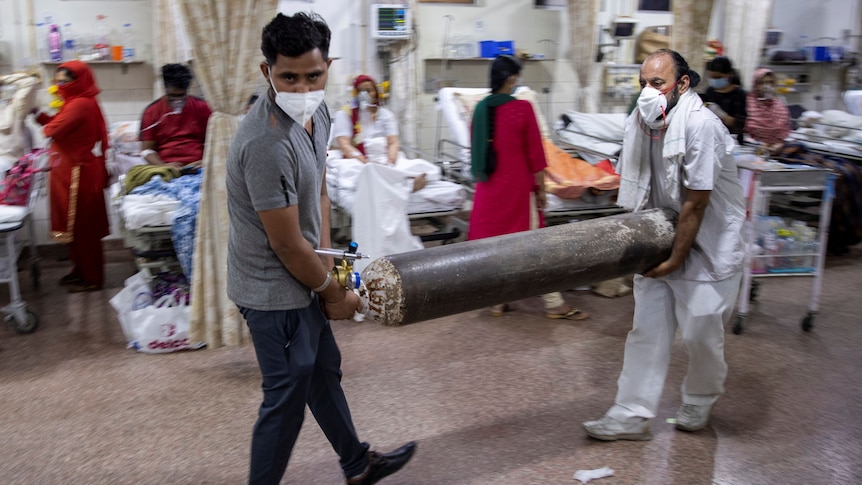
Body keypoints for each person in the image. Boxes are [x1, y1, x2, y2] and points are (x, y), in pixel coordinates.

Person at [225, 12, 416, 485]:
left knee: (322, 371)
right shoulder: (266, 142)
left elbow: (321, 194)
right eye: (288, 77)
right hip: (272, 289)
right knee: (287, 394)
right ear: (266, 71)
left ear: (328, 65)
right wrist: (333, 295)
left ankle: (357, 464)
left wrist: (335, 272)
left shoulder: (320, 112)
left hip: (306, 272)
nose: (302, 88)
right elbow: (287, 244)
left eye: (314, 75)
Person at [583, 49, 745, 440]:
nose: (647, 92)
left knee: (701, 333)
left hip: (708, 244)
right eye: (643, 84)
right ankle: (630, 414)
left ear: (683, 84)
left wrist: (676, 259)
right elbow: (637, 184)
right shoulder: (642, 123)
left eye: (657, 83)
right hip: (660, 239)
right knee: (646, 331)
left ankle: (700, 398)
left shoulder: (701, 126)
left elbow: (697, 201)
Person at [468, 54, 588, 321]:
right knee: (537, 249)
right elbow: (536, 156)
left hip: (488, 193)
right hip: (518, 192)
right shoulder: (522, 109)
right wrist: (542, 190)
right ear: (511, 78)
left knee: (496, 248)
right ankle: (554, 303)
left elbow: (478, 153)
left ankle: (499, 301)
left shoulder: (479, 111)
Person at [32, 61, 110, 293]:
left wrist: (45, 121)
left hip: (79, 175)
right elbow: (58, 125)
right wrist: (38, 114)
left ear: (79, 81)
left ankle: (93, 278)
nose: (60, 86)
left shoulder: (80, 104)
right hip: (70, 172)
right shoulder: (75, 103)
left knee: (84, 230)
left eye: (65, 81)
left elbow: (52, 130)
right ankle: (79, 271)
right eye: (58, 82)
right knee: (74, 230)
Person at [331, 74, 426, 191]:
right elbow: (345, 145)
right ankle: (403, 185)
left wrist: (390, 163)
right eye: (360, 91)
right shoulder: (344, 114)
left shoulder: (386, 115)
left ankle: (397, 180)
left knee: (424, 168)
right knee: (356, 175)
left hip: (386, 158)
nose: (364, 94)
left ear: (375, 92)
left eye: (368, 90)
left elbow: (393, 142)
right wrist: (367, 163)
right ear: (355, 93)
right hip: (357, 160)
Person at [139, 63, 212, 168]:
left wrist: (205, 161)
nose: (177, 101)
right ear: (165, 89)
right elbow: (146, 150)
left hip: (199, 166)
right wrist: (164, 166)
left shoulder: (202, 108)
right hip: (166, 168)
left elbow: (214, 141)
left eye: (181, 96)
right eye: (172, 96)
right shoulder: (151, 112)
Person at [700, 56, 747, 144]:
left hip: (731, 140)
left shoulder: (739, 94)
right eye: (712, 77)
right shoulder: (710, 91)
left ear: (729, 75)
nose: (714, 80)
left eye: (718, 77)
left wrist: (722, 115)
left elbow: (739, 125)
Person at [744, 68, 791, 153]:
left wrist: (779, 144)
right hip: (752, 149)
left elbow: (785, 129)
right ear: (755, 85)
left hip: (778, 150)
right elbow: (743, 130)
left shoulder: (780, 104)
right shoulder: (747, 102)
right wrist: (761, 145)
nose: (767, 86)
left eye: (770, 82)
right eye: (762, 83)